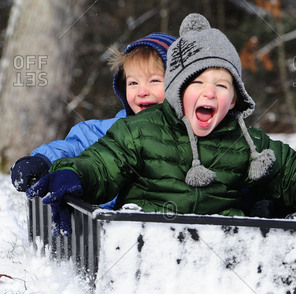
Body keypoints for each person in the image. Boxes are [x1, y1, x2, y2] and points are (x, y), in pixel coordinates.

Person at [26, 14, 296, 231]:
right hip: (148, 235)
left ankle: (287, 222)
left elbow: (292, 168)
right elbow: (100, 160)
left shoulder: (244, 141)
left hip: (224, 247)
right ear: (179, 92)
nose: (209, 94)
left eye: (221, 86)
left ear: (235, 99)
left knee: (267, 194)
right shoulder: (135, 132)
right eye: (197, 85)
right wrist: (72, 172)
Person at [12, 32, 176, 230]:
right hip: (108, 229)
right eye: (133, 83)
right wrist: (43, 160)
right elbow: (78, 146)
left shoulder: (188, 136)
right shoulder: (115, 129)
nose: (142, 91)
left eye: (154, 81)